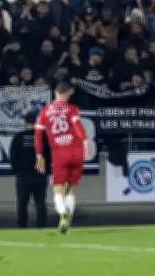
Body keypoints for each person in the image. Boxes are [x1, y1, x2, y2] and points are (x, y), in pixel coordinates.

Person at [34, 82, 92, 235]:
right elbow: (77, 125)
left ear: (55, 92)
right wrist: (85, 141)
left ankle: (62, 213)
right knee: (71, 189)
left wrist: (39, 154)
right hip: (76, 151)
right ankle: (68, 224)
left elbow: (38, 135)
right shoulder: (72, 109)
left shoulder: (45, 112)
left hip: (59, 153)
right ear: (67, 93)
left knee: (58, 188)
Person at [9, 109, 50, 228]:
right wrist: (47, 171)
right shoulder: (44, 138)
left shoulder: (18, 137)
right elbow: (50, 156)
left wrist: (17, 171)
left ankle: (22, 225)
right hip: (40, 174)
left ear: (26, 122)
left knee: (22, 201)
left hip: (23, 175)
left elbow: (13, 156)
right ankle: (42, 225)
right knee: (40, 201)